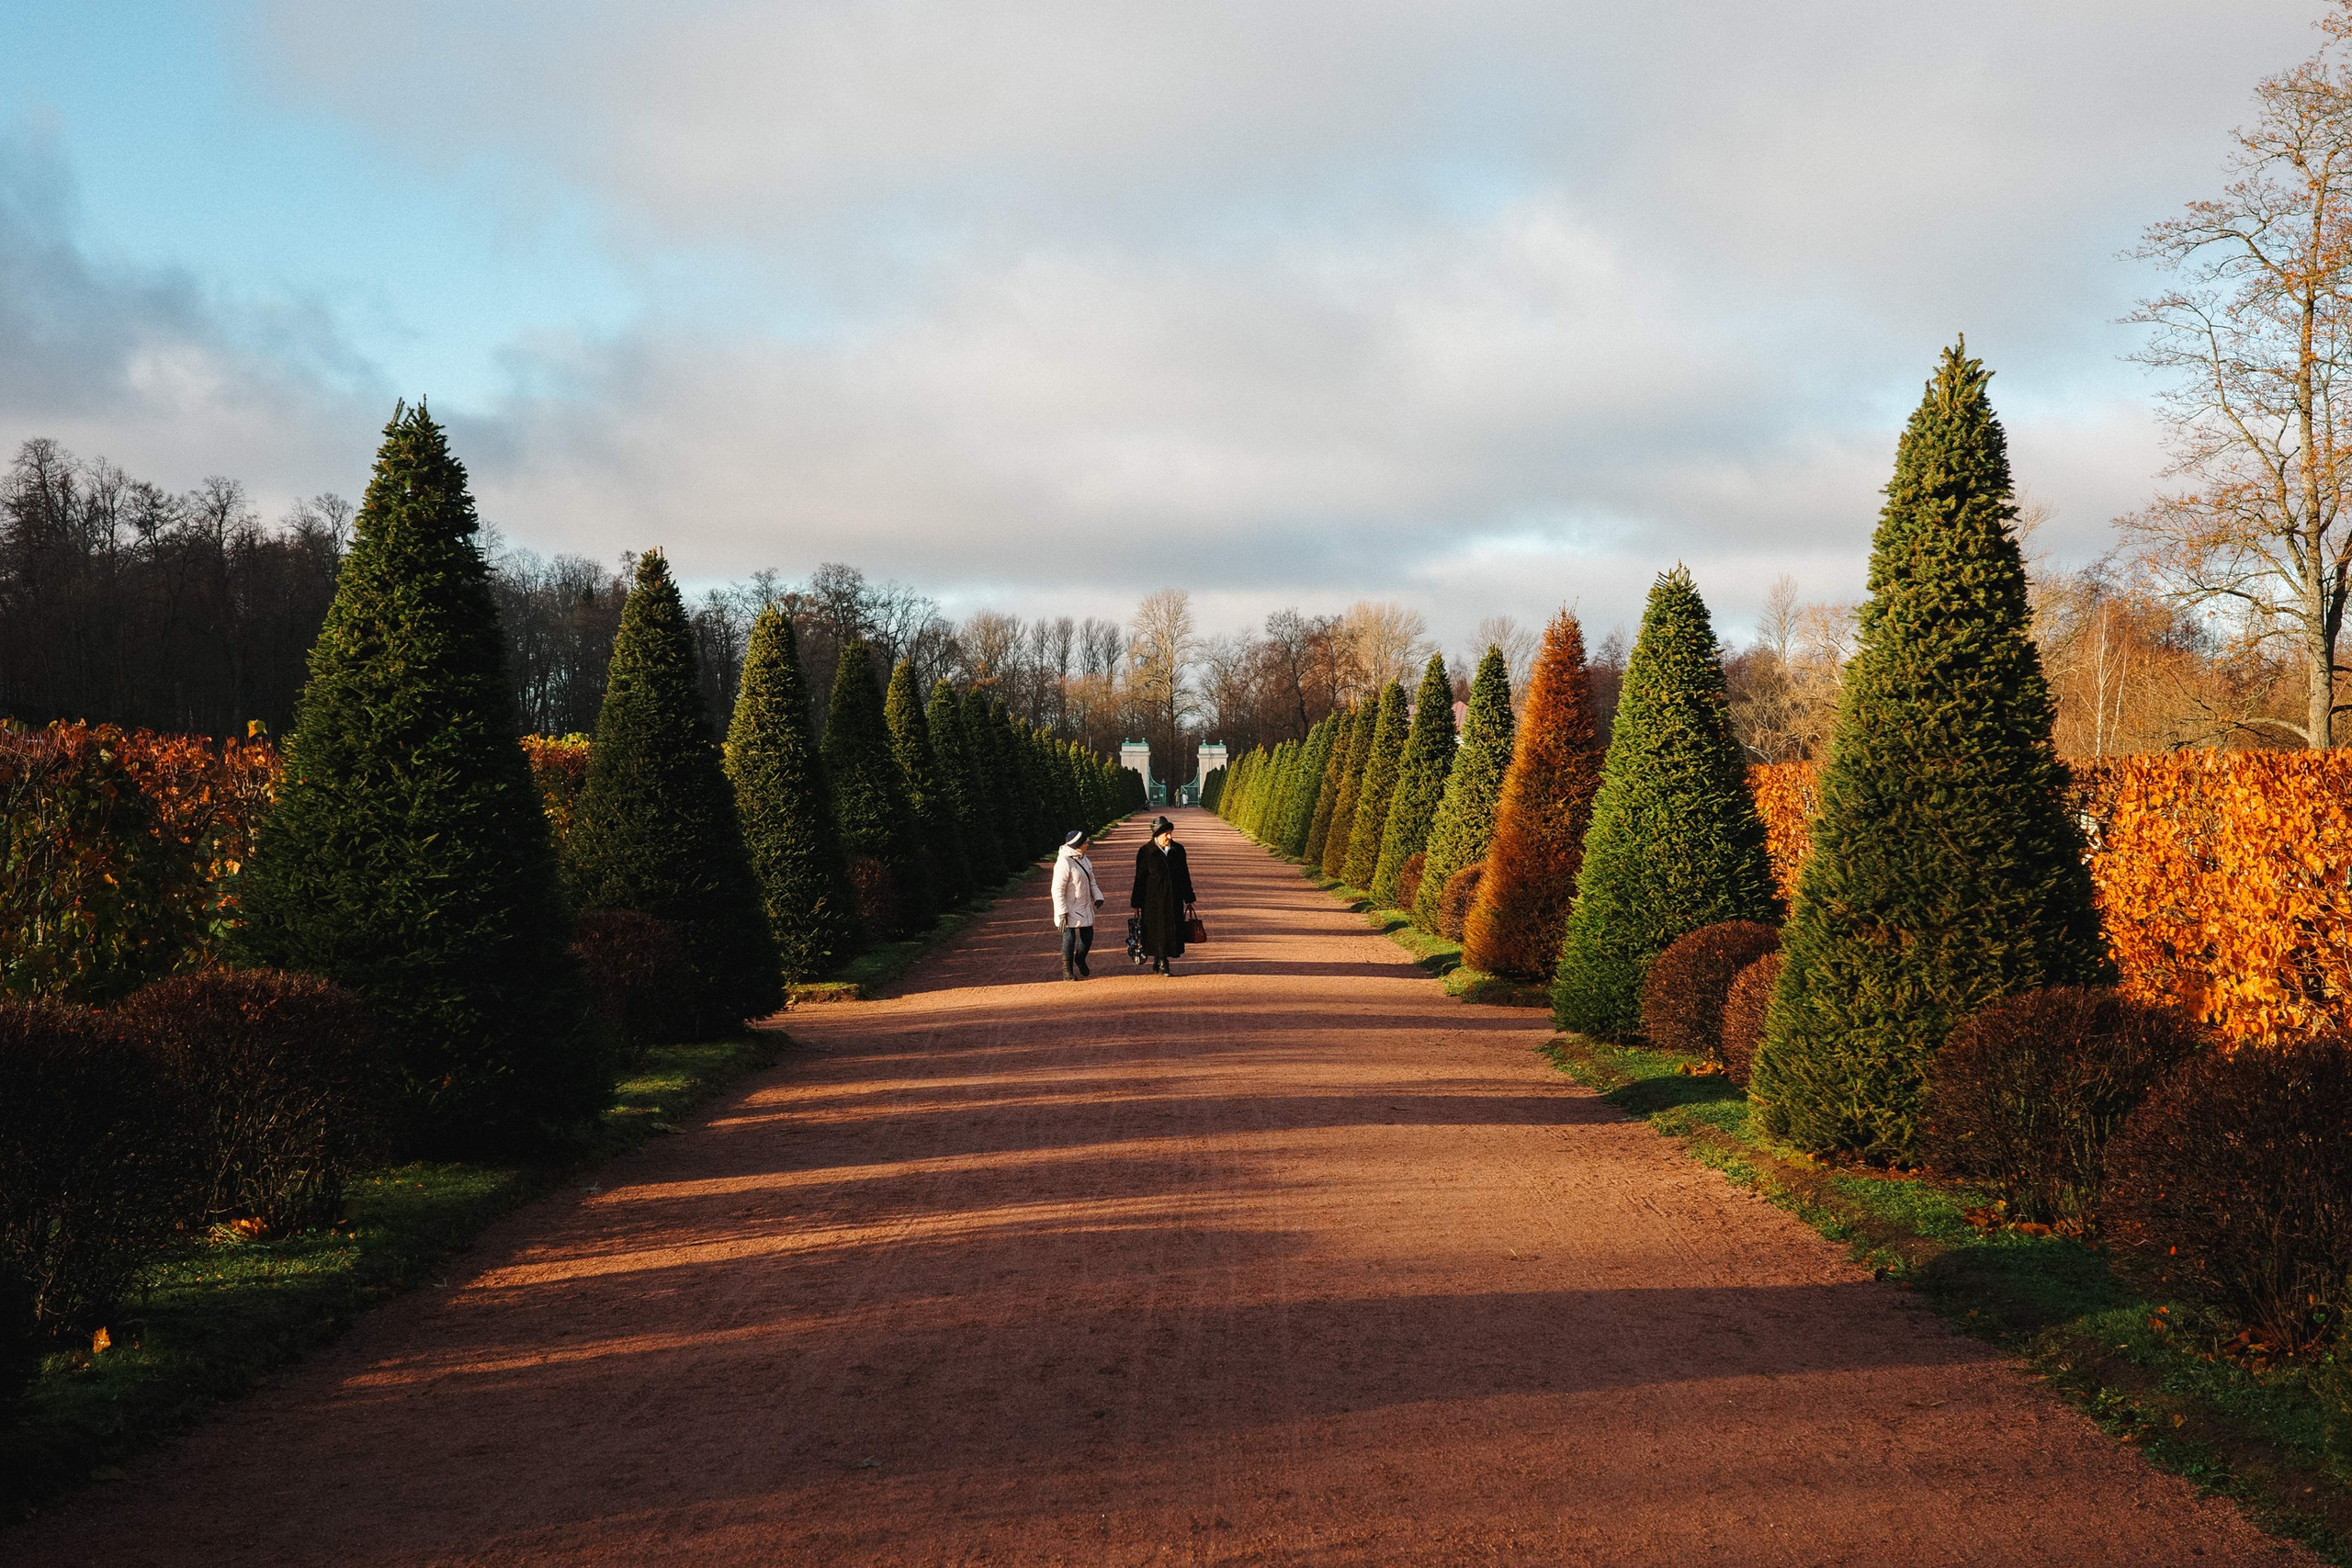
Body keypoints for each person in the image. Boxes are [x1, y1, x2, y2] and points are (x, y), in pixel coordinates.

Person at [1131, 815, 1198, 976]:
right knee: (1157, 930)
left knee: (1171, 930)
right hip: (1153, 900)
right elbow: (1139, 878)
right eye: (1166, 834)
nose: (1170, 837)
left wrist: (1189, 898)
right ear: (1156, 835)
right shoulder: (1146, 851)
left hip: (1174, 898)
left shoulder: (1178, 850)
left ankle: (1160, 958)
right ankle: (1162, 962)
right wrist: (1136, 903)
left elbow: (1184, 874)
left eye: (1170, 833)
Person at [1051, 829, 1105, 979]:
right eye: (1085, 842)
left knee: (1088, 936)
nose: (1087, 844)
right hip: (1068, 908)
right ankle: (1067, 970)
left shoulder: (1084, 859)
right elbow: (1057, 889)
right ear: (1077, 844)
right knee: (1069, 938)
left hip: (1084, 905)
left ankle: (1080, 958)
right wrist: (1062, 912)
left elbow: (1091, 880)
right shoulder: (1064, 862)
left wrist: (1098, 896)